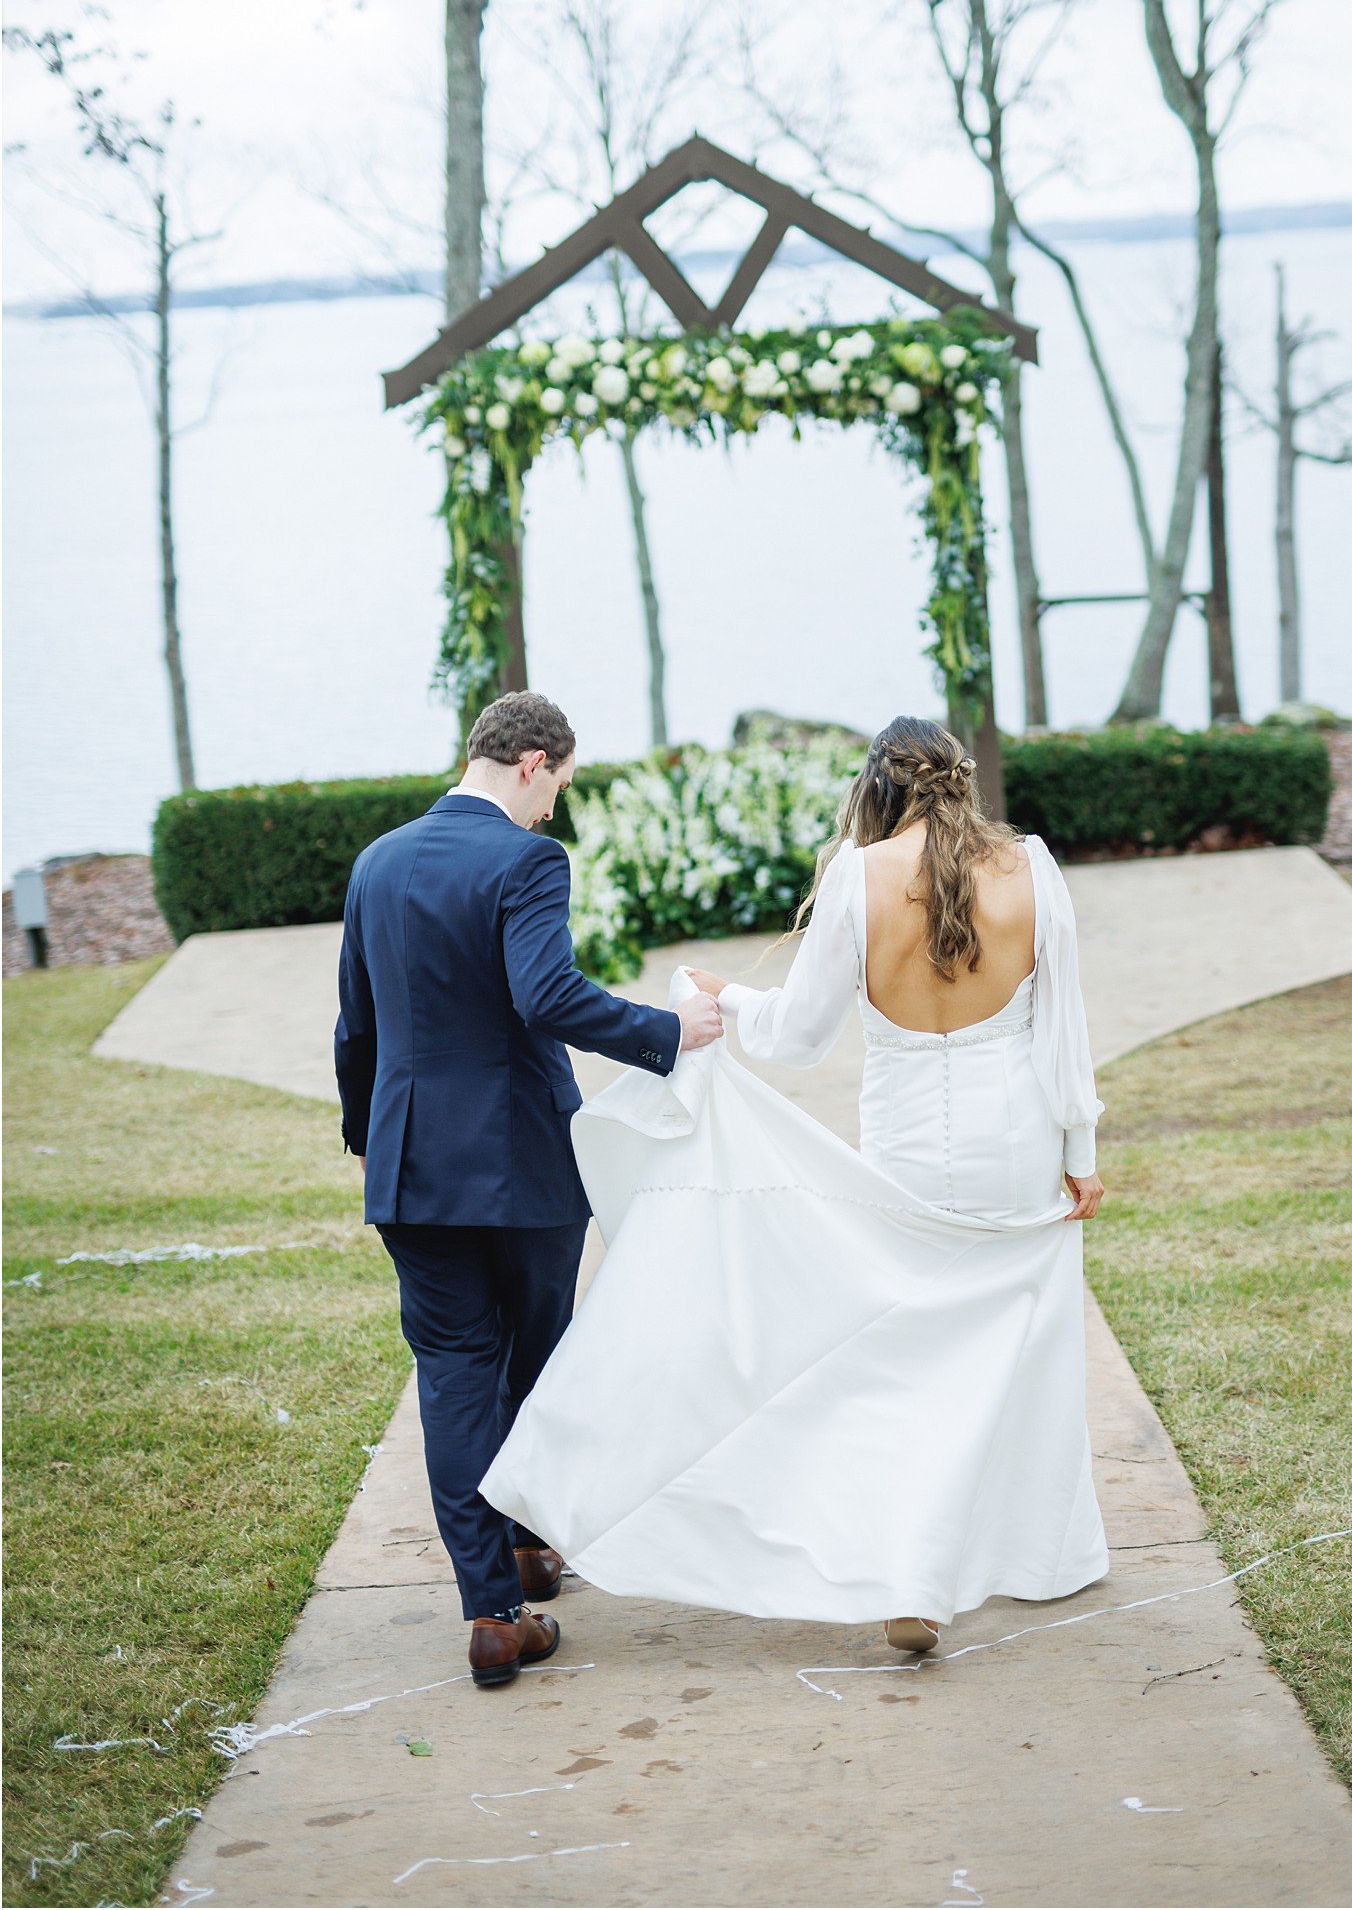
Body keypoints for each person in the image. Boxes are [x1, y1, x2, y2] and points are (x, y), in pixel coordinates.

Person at [481, 715, 1108, 1656]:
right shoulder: (1031, 867)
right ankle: (1022, 1549)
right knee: (1013, 1345)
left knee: (906, 1358)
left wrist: (726, 995)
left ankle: (914, 1576)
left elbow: (798, 1037)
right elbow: (1064, 1020)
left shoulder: (857, 877)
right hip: (1014, 1137)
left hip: (904, 1145)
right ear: (960, 781)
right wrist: (1081, 1146)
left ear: (878, 787)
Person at [333, 689, 723, 1689]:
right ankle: (524, 1551)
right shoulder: (524, 860)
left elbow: (356, 1032)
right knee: (537, 1364)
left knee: (457, 1373)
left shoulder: (376, 864)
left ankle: (497, 1603)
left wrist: (369, 1142)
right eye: (558, 789)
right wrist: (664, 1035)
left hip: (411, 1169)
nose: (554, 812)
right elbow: (545, 995)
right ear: (533, 763)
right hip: (520, 1168)